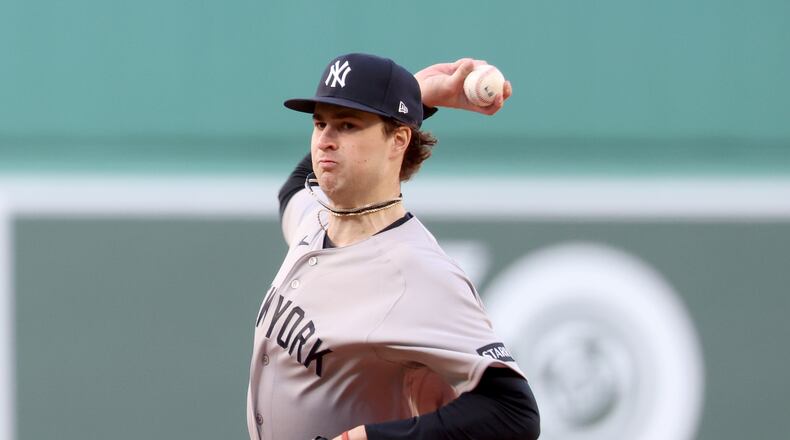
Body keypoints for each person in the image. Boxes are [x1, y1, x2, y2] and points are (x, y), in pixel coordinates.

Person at [247, 53, 540, 440]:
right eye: (320, 124)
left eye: (347, 125)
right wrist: (415, 94)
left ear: (398, 140)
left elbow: (514, 414)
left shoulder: (415, 272)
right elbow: (294, 187)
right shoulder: (316, 217)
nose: (325, 141)